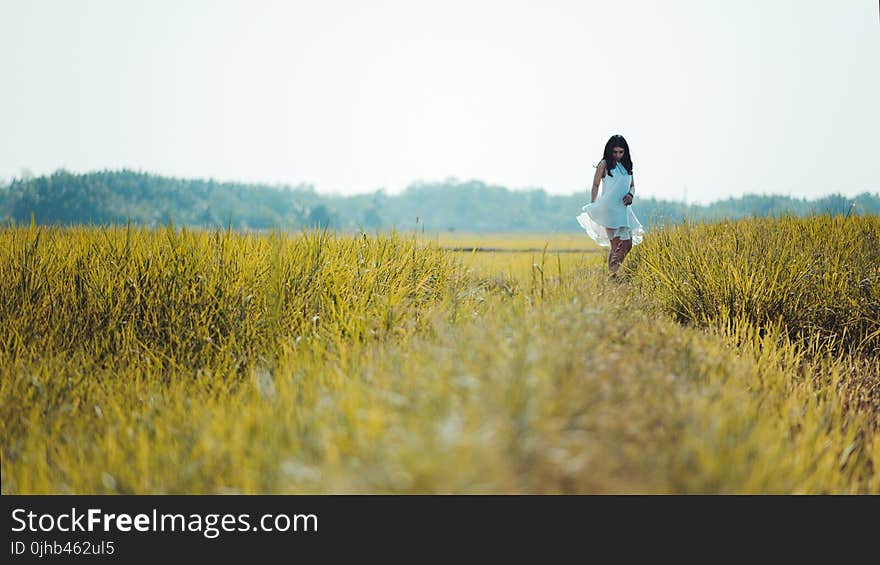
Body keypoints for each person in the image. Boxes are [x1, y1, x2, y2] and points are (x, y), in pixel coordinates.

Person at [575, 134, 645, 278]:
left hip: (624, 209)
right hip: (609, 209)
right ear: (609, 151)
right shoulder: (605, 164)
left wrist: (631, 195)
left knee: (628, 244)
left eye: (621, 152)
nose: (618, 155)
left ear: (625, 151)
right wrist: (594, 205)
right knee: (616, 244)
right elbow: (595, 185)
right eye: (615, 152)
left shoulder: (627, 166)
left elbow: (632, 186)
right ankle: (612, 275)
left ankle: (614, 272)